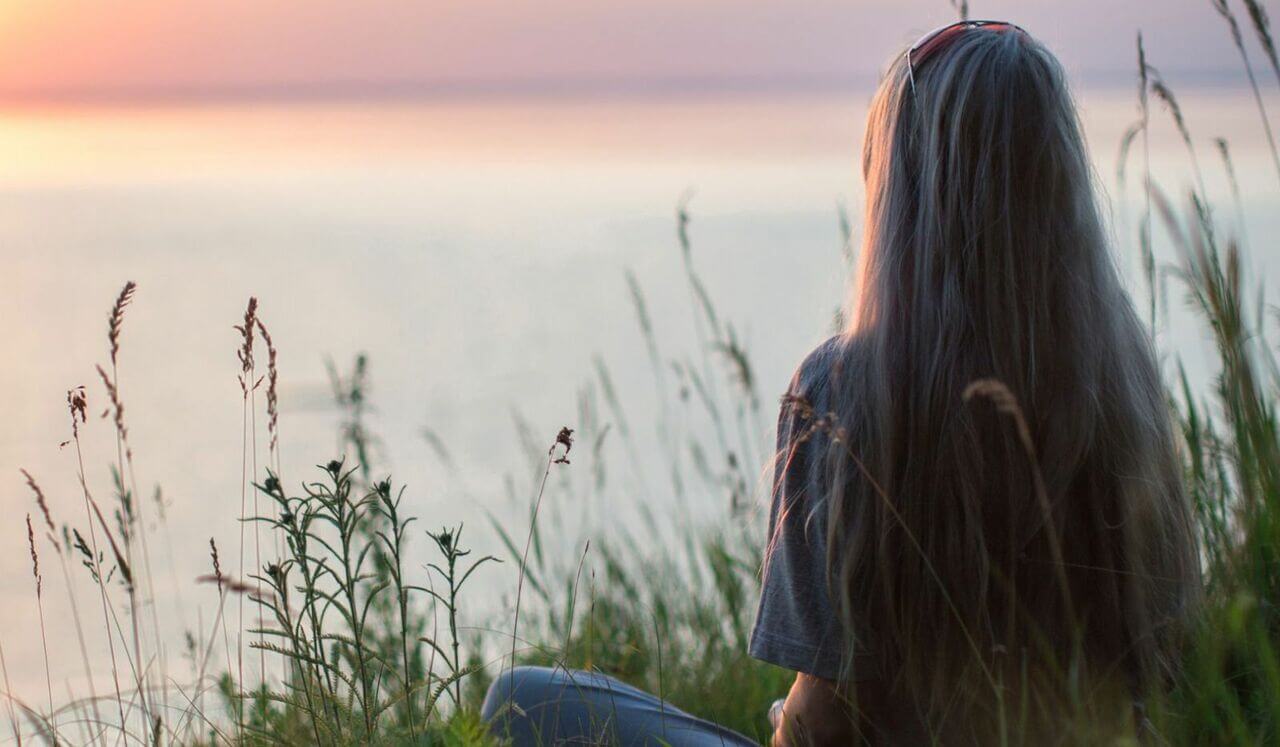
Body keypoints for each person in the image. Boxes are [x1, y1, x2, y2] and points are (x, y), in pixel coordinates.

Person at [483, 19, 1201, 745]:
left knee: (526, 698)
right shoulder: (1126, 399)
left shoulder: (847, 392)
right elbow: (1161, 682)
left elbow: (820, 723)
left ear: (903, 194)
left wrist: (779, 721)